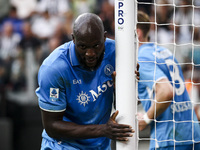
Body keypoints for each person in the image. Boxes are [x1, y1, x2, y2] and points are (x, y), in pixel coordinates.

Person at [35, 13, 135, 150]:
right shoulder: (54, 69)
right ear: (73, 39)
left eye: (96, 45)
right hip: (62, 146)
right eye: (83, 47)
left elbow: (133, 103)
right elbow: (52, 126)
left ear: (105, 37)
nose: (90, 53)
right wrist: (102, 130)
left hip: (99, 146)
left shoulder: (117, 53)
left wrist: (126, 87)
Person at [137, 11, 200, 150]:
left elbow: (166, 92)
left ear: (137, 33)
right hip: (192, 133)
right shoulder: (164, 52)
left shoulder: (142, 58)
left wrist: (145, 119)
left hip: (169, 138)